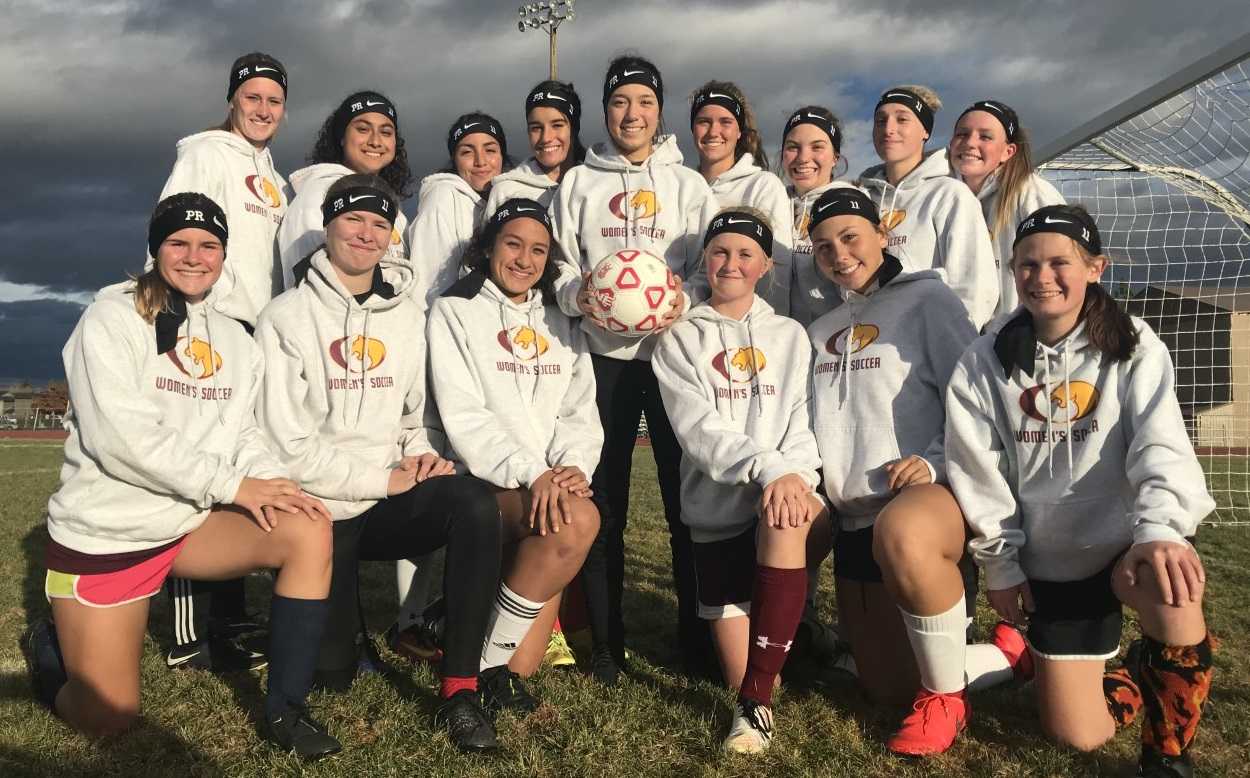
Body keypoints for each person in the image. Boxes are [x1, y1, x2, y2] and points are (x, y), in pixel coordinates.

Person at [22, 192, 340, 759]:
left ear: (223, 255)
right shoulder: (113, 316)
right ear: (155, 248)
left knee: (308, 526)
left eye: (209, 245)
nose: (194, 256)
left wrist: (274, 482)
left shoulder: (236, 338)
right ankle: (50, 650)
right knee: (108, 716)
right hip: (108, 533)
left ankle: (287, 709)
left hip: (187, 526)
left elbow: (243, 432)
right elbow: (120, 438)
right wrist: (232, 487)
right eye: (179, 242)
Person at [946, 204, 1216, 778]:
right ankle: (1134, 671)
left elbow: (1160, 443)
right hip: (1054, 563)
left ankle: (1168, 755)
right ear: (1012, 271)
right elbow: (979, 473)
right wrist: (1003, 564)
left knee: (1174, 587)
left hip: (1127, 546)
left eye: (1059, 262)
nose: (1042, 277)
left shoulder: (1133, 344)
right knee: (1078, 736)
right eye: (1027, 264)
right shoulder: (984, 361)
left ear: (1095, 267)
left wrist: (1161, 530)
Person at [255, 174, 505, 752]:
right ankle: (345, 640)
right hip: (318, 510)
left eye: (379, 223)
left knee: (471, 503)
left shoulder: (406, 316)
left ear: (392, 235)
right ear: (328, 226)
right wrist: (381, 479)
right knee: (333, 675)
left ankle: (460, 689)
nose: (365, 234)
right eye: (353, 219)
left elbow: (418, 416)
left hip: (387, 497)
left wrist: (420, 456)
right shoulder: (285, 318)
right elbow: (285, 445)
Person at [805, 187, 1029, 756]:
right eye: (824, 245)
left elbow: (974, 401)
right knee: (885, 689)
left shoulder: (931, 302)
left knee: (919, 677)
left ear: (883, 234)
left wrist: (931, 461)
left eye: (851, 237)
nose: (839, 253)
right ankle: (1006, 655)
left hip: (922, 508)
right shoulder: (819, 328)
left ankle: (953, 691)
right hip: (856, 517)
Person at [550, 53, 719, 683]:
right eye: (621, 101)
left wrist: (688, 299)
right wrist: (579, 296)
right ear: (606, 110)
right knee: (607, 502)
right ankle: (607, 643)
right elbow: (560, 265)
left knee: (685, 502)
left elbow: (710, 266)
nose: (632, 113)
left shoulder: (688, 186)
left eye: (644, 102)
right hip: (605, 361)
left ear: (659, 110)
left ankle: (696, 641)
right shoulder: (577, 184)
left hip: (676, 360)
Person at [652, 207, 828, 753]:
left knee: (781, 516)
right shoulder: (678, 339)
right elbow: (699, 432)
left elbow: (804, 419)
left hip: (788, 500)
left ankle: (754, 708)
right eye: (720, 251)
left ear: (765, 266)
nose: (731, 262)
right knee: (741, 670)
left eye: (745, 253)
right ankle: (761, 680)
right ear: (705, 258)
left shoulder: (791, 335)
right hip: (716, 514)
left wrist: (791, 476)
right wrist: (767, 468)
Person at [427, 198, 602, 709]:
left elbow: (578, 409)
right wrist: (532, 474)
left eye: (539, 250)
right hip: (480, 482)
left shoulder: (560, 320)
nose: (525, 260)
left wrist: (571, 467)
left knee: (522, 663)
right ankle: (482, 663)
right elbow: (465, 415)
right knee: (577, 521)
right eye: (513, 244)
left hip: (543, 482)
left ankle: (484, 659)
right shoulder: (454, 309)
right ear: (487, 247)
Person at [156, 52, 290, 673]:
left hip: (256, 333)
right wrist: (173, 321)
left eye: (274, 100)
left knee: (241, 462)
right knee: (199, 461)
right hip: (209, 322)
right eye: (253, 97)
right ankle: (188, 636)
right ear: (234, 99)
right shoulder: (206, 155)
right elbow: (169, 234)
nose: (263, 110)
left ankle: (231, 613)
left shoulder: (273, 173)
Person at [857, 86, 998, 329]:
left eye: (902, 119)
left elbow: (974, 287)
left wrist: (948, 343)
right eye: (880, 121)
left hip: (928, 344)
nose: (888, 129)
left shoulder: (949, 194)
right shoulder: (861, 198)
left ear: (925, 131)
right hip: (871, 345)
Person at [277, 90, 413, 289]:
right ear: (342, 137)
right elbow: (305, 286)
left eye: (385, 132)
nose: (375, 141)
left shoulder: (397, 215)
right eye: (363, 129)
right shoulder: (318, 194)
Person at [947, 100, 1064, 319]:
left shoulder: (1032, 193)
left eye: (985, 137)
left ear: (1007, 151)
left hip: (1018, 336)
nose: (970, 143)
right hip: (959, 333)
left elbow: (1064, 265)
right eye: (962, 134)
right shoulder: (941, 196)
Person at [689, 82, 793, 315]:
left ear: (739, 132)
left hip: (745, 333)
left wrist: (768, 332)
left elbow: (778, 272)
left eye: (725, 122)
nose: (713, 131)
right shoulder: (683, 187)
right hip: (687, 328)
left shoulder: (762, 185)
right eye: (704, 121)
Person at [405, 112, 508, 306]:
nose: (481, 161)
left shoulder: (503, 202)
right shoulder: (442, 197)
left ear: (502, 155)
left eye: (490, 150)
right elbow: (428, 284)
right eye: (467, 152)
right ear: (455, 160)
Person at [778, 106, 855, 327]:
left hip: (833, 341)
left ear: (835, 158)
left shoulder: (852, 203)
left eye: (817, 147)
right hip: (777, 344)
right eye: (793, 147)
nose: (803, 158)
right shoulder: (772, 203)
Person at [484, 80, 586, 214]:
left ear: (574, 129)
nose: (546, 138)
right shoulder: (506, 191)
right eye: (536, 128)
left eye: (557, 125)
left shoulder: (595, 183)